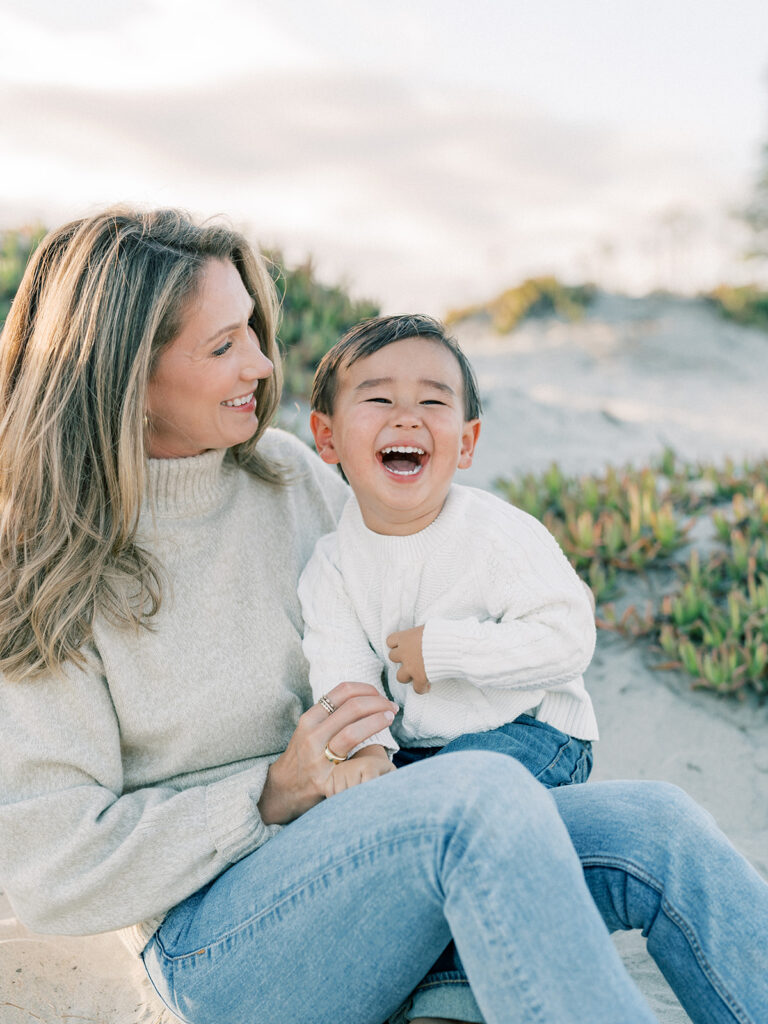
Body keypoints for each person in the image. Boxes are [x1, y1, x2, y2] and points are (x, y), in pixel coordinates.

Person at [0, 208, 766, 1024]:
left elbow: (401, 612)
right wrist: (271, 792)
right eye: (222, 346)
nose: (262, 364)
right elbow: (50, 868)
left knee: (658, 827)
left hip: (388, 851)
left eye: (255, 331)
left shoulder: (288, 478)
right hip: (217, 947)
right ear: (128, 377)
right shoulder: (46, 568)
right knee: (473, 798)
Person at [298, 314, 598, 786]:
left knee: (460, 789)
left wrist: (445, 650)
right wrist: (367, 750)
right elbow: (343, 669)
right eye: (378, 398)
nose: (406, 416)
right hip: (416, 751)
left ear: (465, 442)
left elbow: (568, 640)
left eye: (433, 400)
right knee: (377, 805)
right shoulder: (332, 567)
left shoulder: (497, 534)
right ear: (327, 436)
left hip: (528, 730)